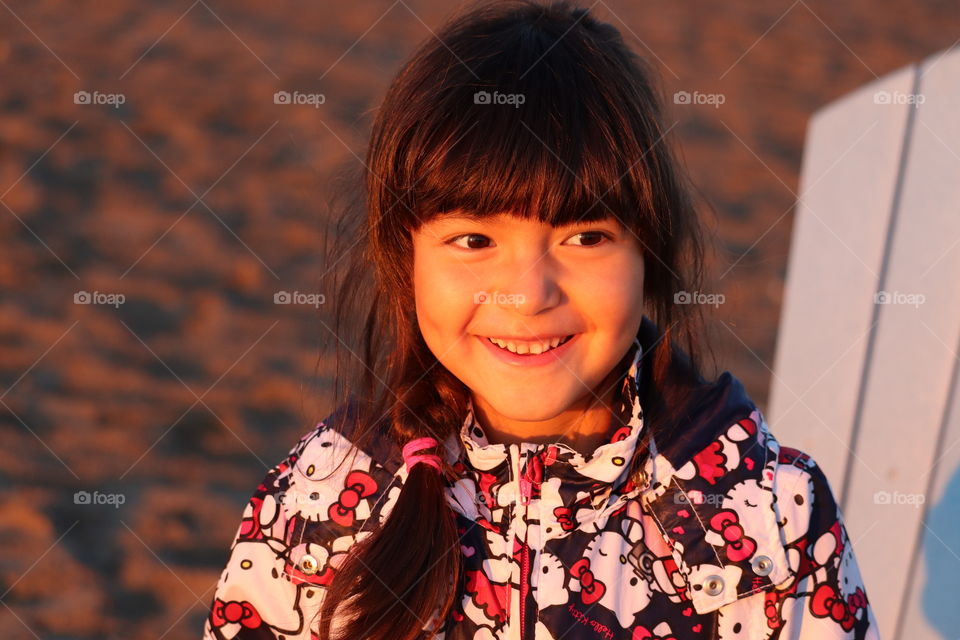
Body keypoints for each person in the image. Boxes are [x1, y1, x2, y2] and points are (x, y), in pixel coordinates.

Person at [202, 1, 880, 638]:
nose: (526, 296)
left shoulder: (767, 517)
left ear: (649, 250)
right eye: (474, 241)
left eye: (584, 238)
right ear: (403, 258)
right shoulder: (320, 501)